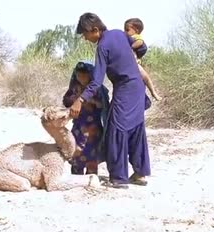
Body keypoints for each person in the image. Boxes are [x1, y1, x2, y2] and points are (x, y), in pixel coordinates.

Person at [69, 12, 151, 189]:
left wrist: (80, 100)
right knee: (136, 128)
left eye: (85, 34)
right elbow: (142, 47)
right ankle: (140, 173)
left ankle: (119, 178)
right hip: (138, 86)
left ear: (95, 30)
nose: (85, 38)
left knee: (116, 130)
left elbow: (97, 81)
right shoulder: (119, 34)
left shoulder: (103, 46)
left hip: (126, 88)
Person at [62, 60, 110, 175]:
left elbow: (103, 105)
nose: (81, 78)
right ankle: (76, 179)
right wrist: (74, 99)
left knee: (91, 154)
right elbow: (66, 102)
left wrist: (88, 100)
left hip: (93, 129)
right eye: (79, 75)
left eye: (84, 75)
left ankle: (91, 179)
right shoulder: (74, 88)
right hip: (78, 128)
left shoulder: (98, 89)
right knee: (76, 152)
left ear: (90, 75)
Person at [124, 18, 162, 102]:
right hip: (130, 63)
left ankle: (153, 92)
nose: (125, 32)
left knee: (145, 77)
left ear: (136, 30)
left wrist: (130, 47)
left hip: (135, 64)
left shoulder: (135, 37)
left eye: (127, 30)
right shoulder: (127, 38)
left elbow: (140, 42)